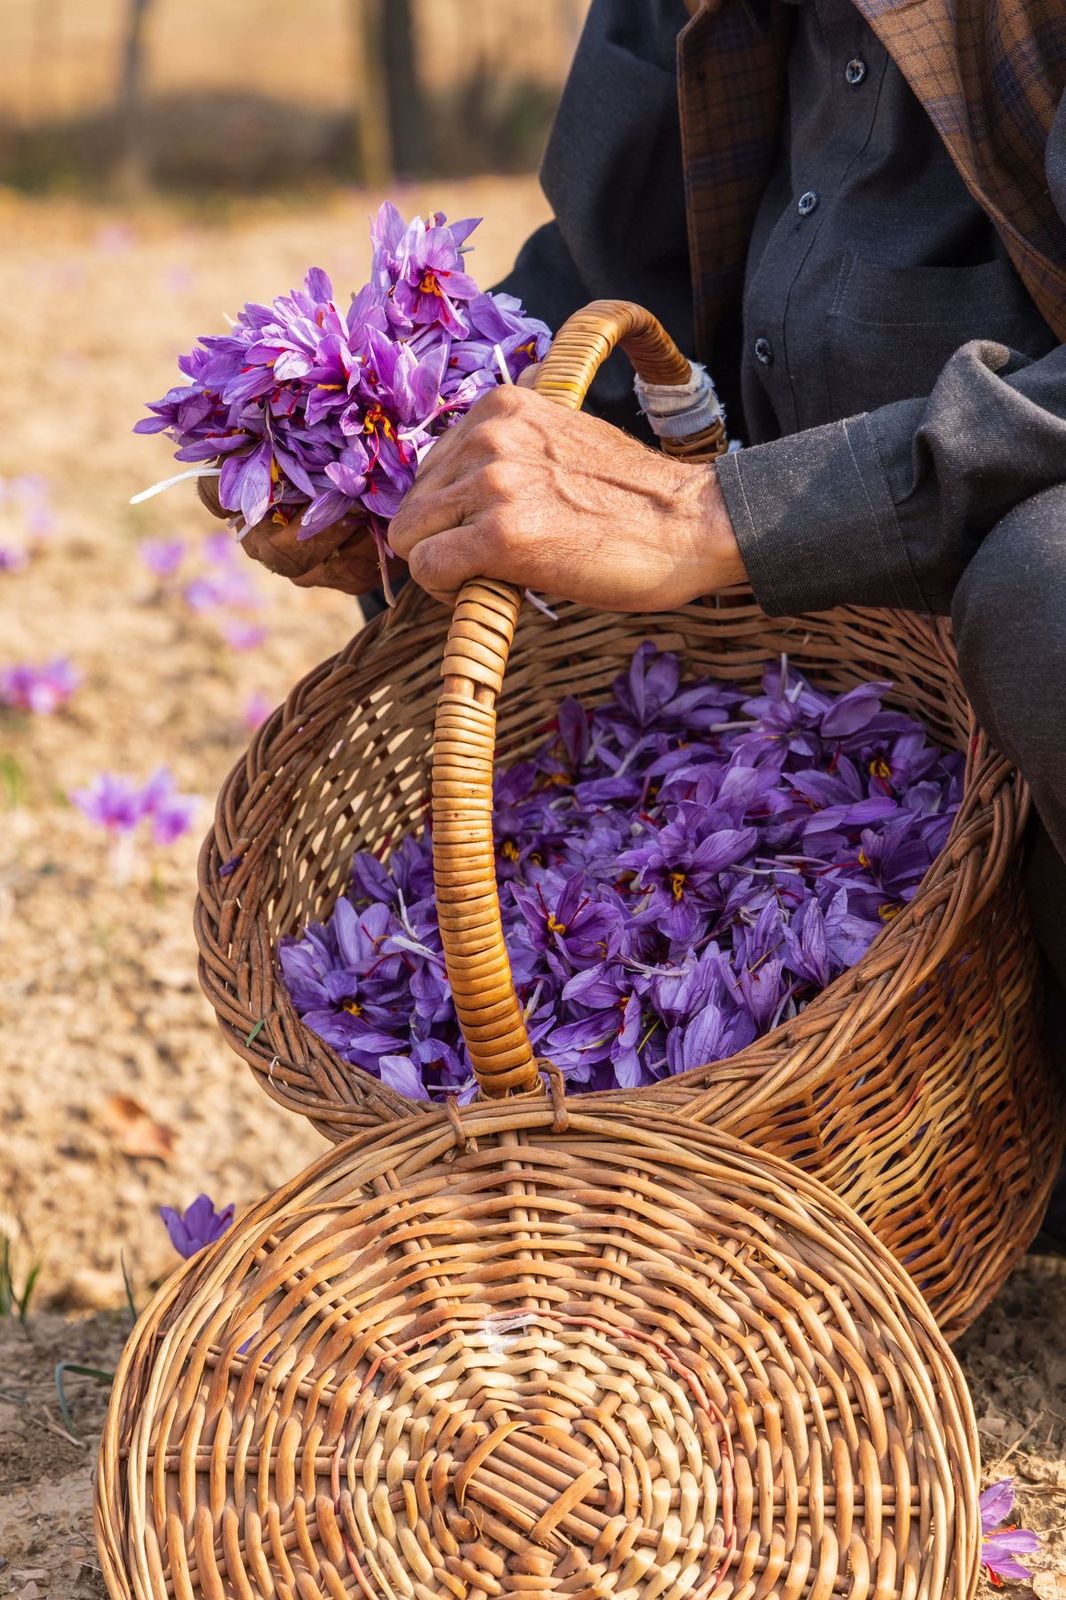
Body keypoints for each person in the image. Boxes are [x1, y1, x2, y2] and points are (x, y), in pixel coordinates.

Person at [247, 3, 1066, 1027]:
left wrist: (703, 516)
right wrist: (368, 437)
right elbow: (606, 269)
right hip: (812, 660)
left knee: (1051, 587)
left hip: (997, 575)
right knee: (464, 519)